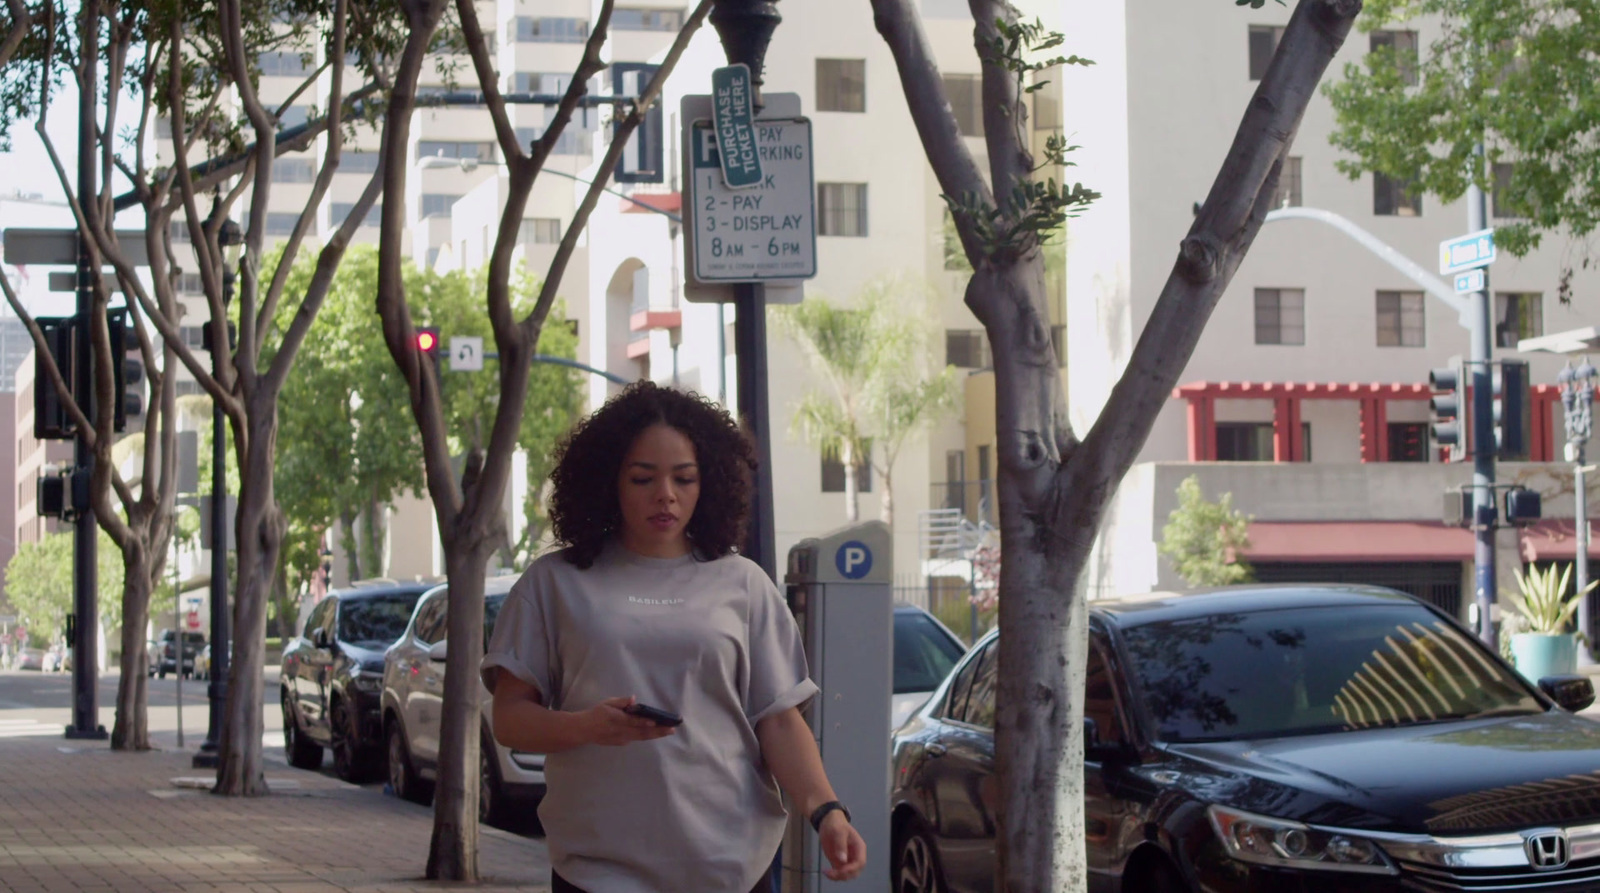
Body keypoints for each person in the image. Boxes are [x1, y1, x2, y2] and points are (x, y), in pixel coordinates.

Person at [483, 382, 867, 892]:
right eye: (643, 478)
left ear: (708, 482)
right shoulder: (554, 583)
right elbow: (510, 719)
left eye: (684, 479)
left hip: (730, 866)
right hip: (598, 870)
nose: (666, 495)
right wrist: (587, 727)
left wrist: (827, 812)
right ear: (608, 480)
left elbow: (778, 722)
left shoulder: (743, 584)